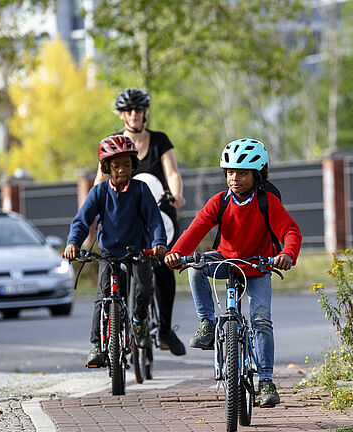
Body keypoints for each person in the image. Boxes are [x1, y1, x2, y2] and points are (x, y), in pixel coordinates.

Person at [165, 138, 302, 407]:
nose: (235, 178)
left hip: (258, 265)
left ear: (257, 175)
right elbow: (195, 229)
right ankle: (207, 323)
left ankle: (265, 381)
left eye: (243, 172)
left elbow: (290, 231)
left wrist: (287, 254)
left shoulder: (267, 202)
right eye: (230, 172)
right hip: (225, 260)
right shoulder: (220, 202)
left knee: (261, 319)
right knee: (197, 268)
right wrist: (177, 254)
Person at [93, 88, 187, 356]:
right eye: (129, 110)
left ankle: (166, 329)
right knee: (118, 269)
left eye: (138, 109)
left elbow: (172, 172)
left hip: (159, 212)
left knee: (164, 264)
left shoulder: (159, 141)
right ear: (121, 114)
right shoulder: (113, 143)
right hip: (124, 217)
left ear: (145, 113)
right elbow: (99, 182)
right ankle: (120, 323)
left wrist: (177, 194)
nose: (134, 114)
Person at [65, 135, 168, 368]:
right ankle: (96, 346)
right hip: (109, 252)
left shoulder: (141, 190)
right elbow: (82, 221)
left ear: (133, 166)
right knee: (103, 297)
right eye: (116, 165)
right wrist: (73, 243)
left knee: (144, 287)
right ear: (107, 167)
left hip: (138, 250)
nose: (122, 169)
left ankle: (139, 320)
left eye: (127, 164)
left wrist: (159, 242)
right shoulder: (99, 192)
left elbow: (154, 221)